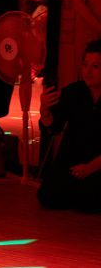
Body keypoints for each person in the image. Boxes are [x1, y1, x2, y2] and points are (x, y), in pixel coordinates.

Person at [37, 39, 101, 212]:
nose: (88, 71)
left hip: (98, 163)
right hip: (73, 161)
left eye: (95, 67)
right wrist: (44, 110)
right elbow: (54, 127)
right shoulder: (74, 92)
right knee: (47, 195)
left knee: (88, 198)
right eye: (85, 65)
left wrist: (89, 168)